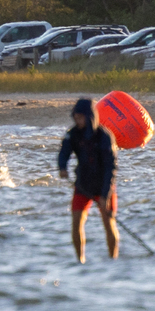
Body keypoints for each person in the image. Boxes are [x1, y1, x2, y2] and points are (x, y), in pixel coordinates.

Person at [58, 98, 118, 263]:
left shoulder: (105, 136)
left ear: (90, 117)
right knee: (76, 222)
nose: (77, 121)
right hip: (83, 185)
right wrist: (62, 167)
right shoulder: (73, 134)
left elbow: (110, 168)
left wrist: (105, 195)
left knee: (108, 223)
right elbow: (64, 152)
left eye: (80, 118)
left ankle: (113, 259)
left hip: (103, 185)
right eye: (75, 118)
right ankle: (80, 261)